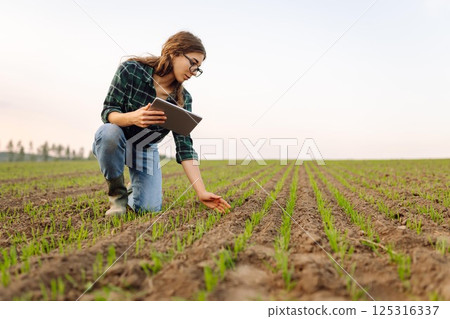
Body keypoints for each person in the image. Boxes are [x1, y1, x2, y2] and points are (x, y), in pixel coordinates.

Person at [92, 31, 231, 216]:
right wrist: (133, 118)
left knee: (149, 209)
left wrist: (201, 192)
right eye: (193, 63)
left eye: (198, 68)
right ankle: (118, 198)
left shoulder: (183, 99)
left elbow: (185, 147)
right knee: (108, 133)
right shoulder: (131, 70)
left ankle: (135, 188)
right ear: (174, 52)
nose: (194, 71)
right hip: (117, 138)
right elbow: (108, 111)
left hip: (145, 148)